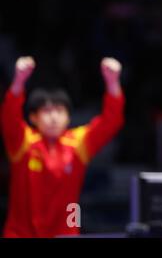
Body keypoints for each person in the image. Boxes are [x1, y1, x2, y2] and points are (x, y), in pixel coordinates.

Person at [1, 56, 125, 237]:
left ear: (68, 118)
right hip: (20, 233)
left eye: (59, 111)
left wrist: (113, 82)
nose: (53, 117)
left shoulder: (78, 143)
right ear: (33, 118)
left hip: (65, 233)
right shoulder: (24, 142)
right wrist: (18, 81)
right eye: (46, 111)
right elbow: (9, 117)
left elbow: (111, 121)